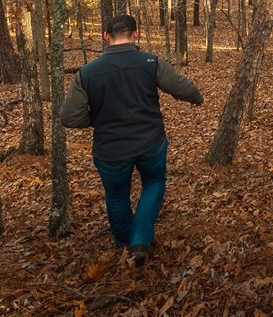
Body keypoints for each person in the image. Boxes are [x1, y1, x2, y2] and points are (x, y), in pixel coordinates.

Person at [60, 14, 203, 266]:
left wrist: (96, 119)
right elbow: (181, 86)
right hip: (150, 142)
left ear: (106, 37)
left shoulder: (87, 72)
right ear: (135, 34)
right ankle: (139, 240)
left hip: (110, 149)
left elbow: (69, 117)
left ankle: (125, 242)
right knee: (154, 182)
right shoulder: (149, 62)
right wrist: (197, 98)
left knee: (116, 196)